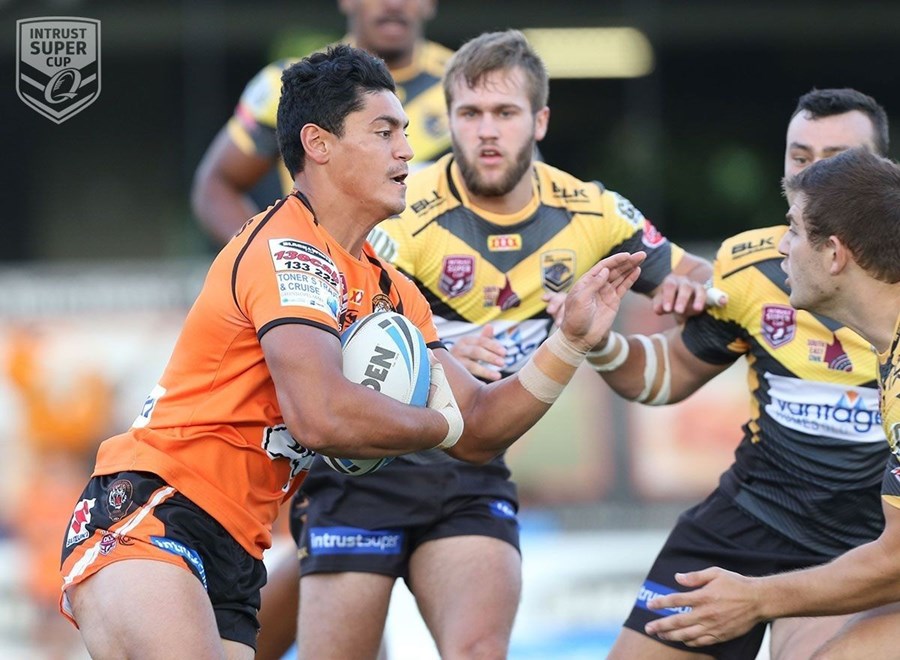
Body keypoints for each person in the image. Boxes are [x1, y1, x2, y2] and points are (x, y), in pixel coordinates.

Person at [58, 44, 646, 660]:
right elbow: (323, 417)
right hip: (153, 508)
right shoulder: (287, 247)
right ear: (318, 143)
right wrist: (442, 423)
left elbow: (479, 430)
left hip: (239, 546)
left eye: (406, 132)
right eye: (385, 132)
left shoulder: (393, 290)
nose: (408, 151)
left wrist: (570, 341)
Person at [278, 30, 713, 660]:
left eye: (505, 113)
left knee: (480, 651)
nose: (486, 132)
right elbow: (330, 330)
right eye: (470, 113)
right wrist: (437, 353)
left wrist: (691, 292)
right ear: (448, 118)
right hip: (364, 474)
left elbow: (693, 276)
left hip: (471, 476)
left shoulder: (594, 214)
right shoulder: (402, 209)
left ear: (539, 120)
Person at [591, 88, 893, 660]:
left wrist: (759, 599)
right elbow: (666, 375)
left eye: (836, 161)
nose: (811, 176)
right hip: (754, 517)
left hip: (869, 542)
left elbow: (896, 559)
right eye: (800, 158)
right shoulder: (757, 265)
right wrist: (593, 340)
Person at [192, 0, 451, 246]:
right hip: (319, 273)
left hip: (435, 273)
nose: (393, 4)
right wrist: (267, 253)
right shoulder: (293, 85)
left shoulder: (464, 85)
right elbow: (218, 183)